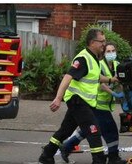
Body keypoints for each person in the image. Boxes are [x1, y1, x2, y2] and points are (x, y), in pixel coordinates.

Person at [38, 29, 117, 164]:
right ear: (92, 42)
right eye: (102, 41)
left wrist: (111, 80)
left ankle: (47, 155)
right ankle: (99, 161)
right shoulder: (83, 58)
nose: (104, 44)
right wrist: (58, 98)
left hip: (84, 102)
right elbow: (67, 77)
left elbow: (96, 77)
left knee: (65, 131)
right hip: (78, 100)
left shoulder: (94, 58)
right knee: (94, 131)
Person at [60, 42, 126, 164]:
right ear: (104, 53)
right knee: (110, 131)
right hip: (97, 103)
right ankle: (113, 157)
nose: (111, 53)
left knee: (90, 129)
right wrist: (114, 94)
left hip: (104, 104)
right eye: (108, 51)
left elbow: (120, 81)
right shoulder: (99, 64)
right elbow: (100, 83)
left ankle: (67, 146)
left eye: (113, 51)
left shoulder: (117, 65)